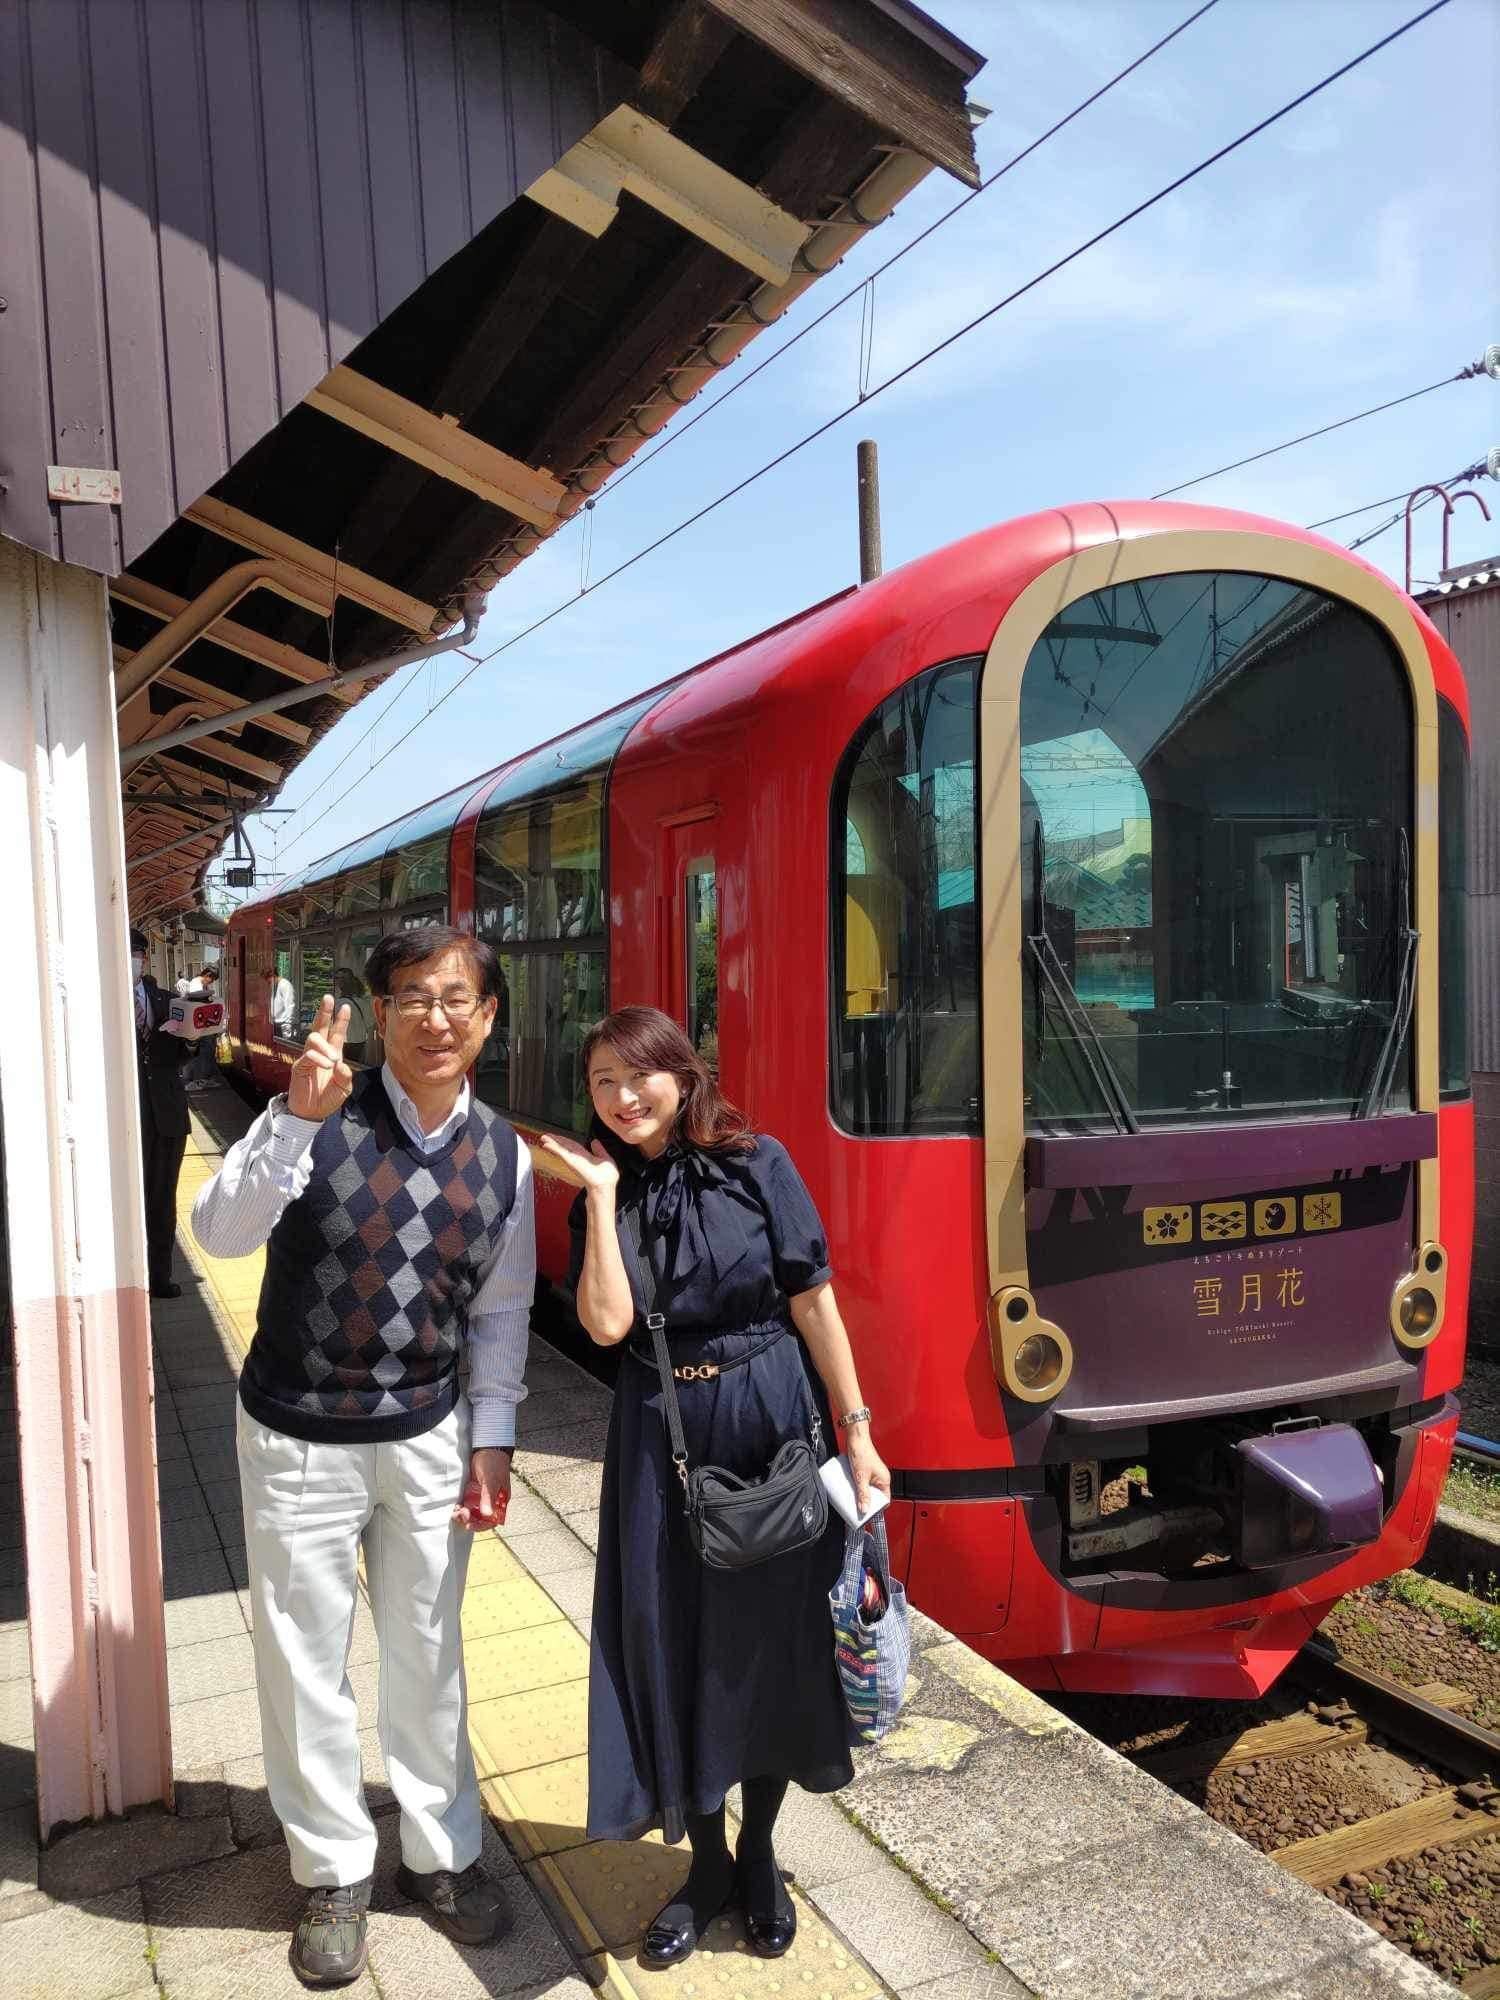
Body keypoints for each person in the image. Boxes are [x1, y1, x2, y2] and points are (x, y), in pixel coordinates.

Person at [191, 926, 535, 1987]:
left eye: (459, 998)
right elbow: (219, 1229)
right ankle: (334, 1867)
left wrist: (493, 1440)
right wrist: (294, 1115)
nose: (437, 1016)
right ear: (380, 1008)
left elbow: (501, 1311)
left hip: (428, 1434)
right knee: (304, 1659)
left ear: (487, 1018)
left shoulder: (504, 1152)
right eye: (415, 995)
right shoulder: (317, 1111)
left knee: (430, 1651)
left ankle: (443, 1851)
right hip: (297, 1428)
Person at [538, 1005, 889, 1969]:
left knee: (769, 1648)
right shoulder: (602, 1191)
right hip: (661, 1433)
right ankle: (707, 1864)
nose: (620, 1098)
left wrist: (856, 1432)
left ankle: (762, 1852)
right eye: (602, 1083)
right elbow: (606, 1327)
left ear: (681, 1075)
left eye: (636, 1076)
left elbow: (813, 1299)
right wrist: (603, 1200)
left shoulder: (758, 1163)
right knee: (674, 1640)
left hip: (772, 1416)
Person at [131, 927, 195, 1299]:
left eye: (138, 952)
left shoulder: (167, 999)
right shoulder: (98, 1000)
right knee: (128, 1199)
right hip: (125, 1118)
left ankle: (159, 1277)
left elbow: (181, 1055)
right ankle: (129, 1278)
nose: (135, 959)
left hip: (167, 1116)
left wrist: (190, 1038)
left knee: (162, 1198)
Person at [175, 965, 221, 1090]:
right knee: (202, 1051)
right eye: (211, 980)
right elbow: (199, 1004)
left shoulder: (200, 984)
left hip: (200, 1024)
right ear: (207, 975)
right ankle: (198, 1080)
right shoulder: (196, 985)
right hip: (197, 1025)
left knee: (201, 1051)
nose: (211, 982)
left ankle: (201, 1079)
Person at [268, 962, 296, 1040]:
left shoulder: (285, 985)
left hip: (284, 1025)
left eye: (269, 982)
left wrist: (287, 1027)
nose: (268, 984)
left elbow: (290, 1006)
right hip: (276, 1024)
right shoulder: (275, 985)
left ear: (273, 976)